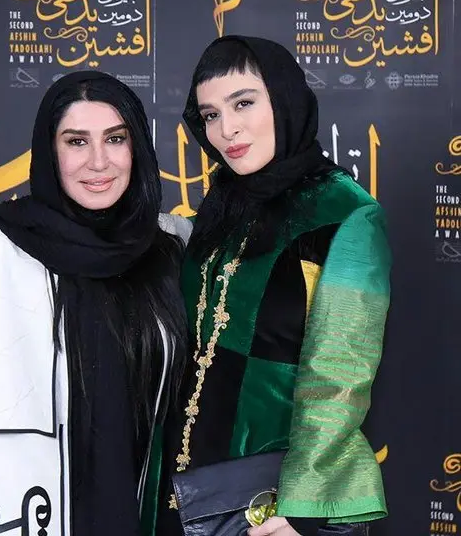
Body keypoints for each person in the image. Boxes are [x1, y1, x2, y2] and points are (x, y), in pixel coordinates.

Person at [0, 71, 192, 536]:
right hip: (27, 508)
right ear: (50, 151)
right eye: (77, 142)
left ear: (136, 147)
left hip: (150, 505)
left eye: (115, 139)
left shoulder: (171, 245)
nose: (99, 161)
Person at [147, 36, 391, 536]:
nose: (227, 129)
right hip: (181, 487)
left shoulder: (344, 214)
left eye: (243, 104)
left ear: (283, 99)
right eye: (210, 115)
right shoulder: (224, 204)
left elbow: (339, 376)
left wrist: (302, 509)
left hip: (268, 502)